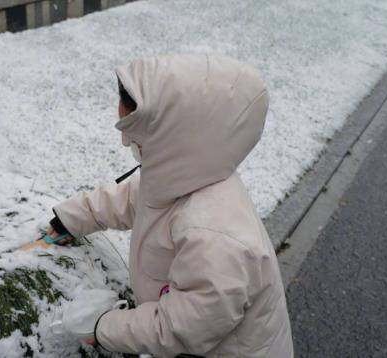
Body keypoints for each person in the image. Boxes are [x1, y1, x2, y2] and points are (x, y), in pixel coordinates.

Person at [46, 54, 294, 357]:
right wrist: (72, 218)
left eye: (135, 135)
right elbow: (130, 199)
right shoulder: (185, 175)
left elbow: (178, 329)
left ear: (174, 135)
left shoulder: (216, 237)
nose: (126, 143)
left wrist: (103, 327)